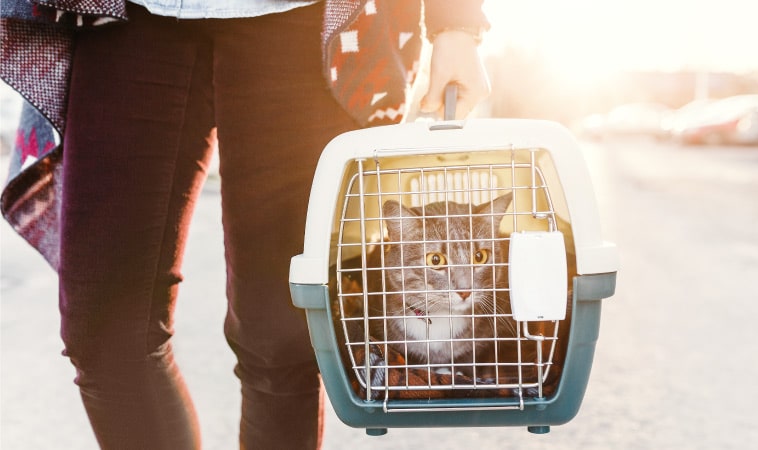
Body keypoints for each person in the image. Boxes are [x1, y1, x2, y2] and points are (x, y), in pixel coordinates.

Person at [0, 0, 490, 448]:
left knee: (282, 337)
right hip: (128, 18)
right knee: (105, 335)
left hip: (301, 21)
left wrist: (456, 25)